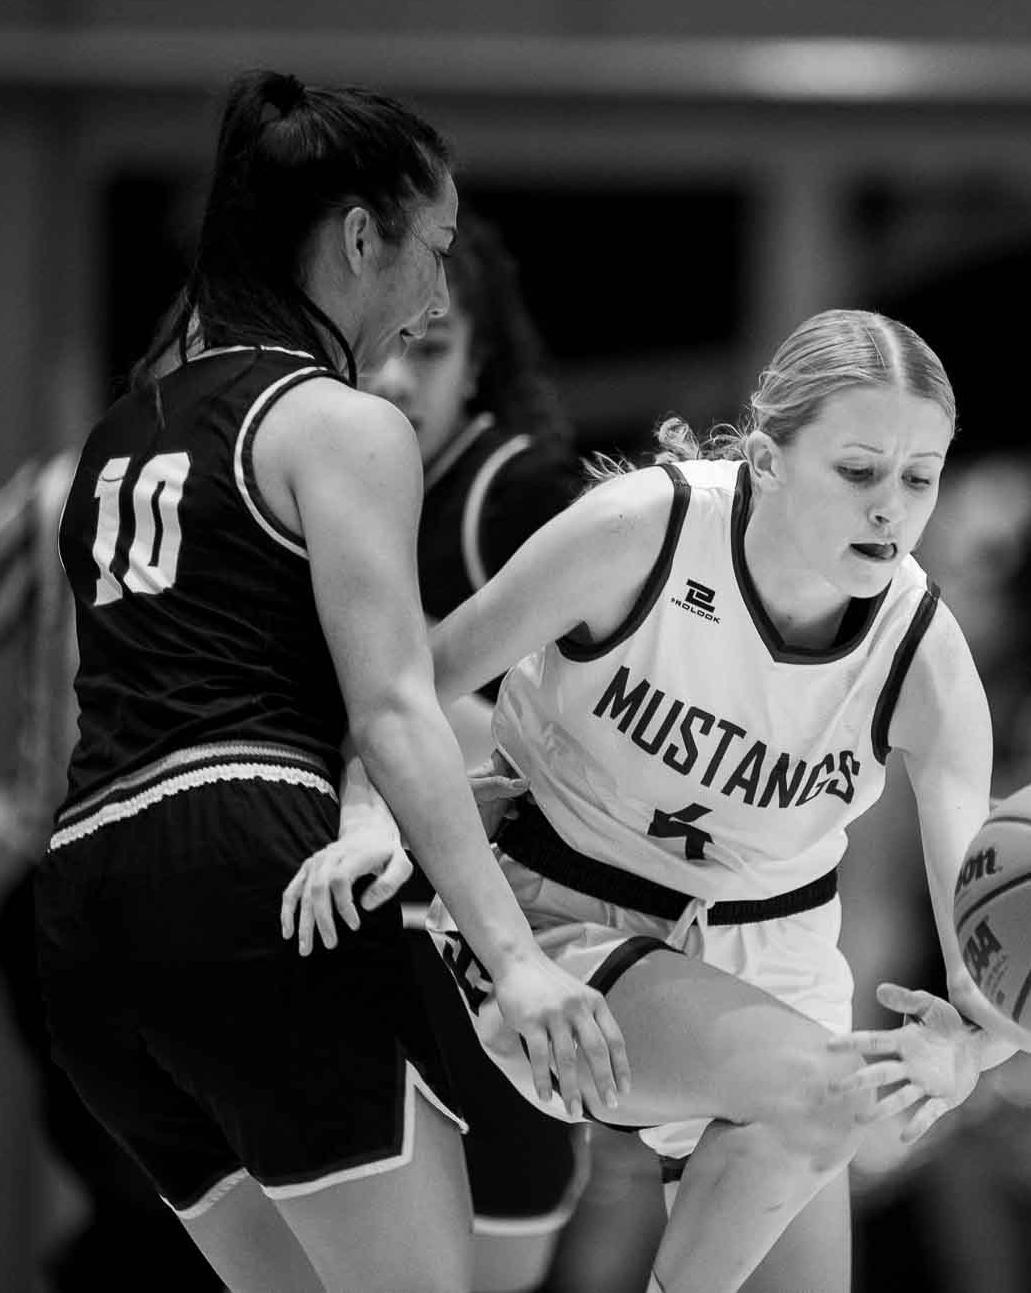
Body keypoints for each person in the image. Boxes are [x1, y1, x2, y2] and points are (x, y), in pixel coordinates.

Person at [286, 307, 1031, 1292]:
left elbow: (977, 952)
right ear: (771, 455)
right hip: (560, 915)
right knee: (827, 1092)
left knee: (829, 1100)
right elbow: (405, 685)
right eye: (859, 470)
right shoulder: (639, 533)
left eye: (919, 479)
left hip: (778, 965)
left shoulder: (926, 656)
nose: (891, 509)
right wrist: (364, 815)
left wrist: (984, 1042)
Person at [33, 68, 625, 1293]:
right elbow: (395, 709)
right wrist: (514, 955)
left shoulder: (120, 430)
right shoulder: (339, 423)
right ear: (361, 237)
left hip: (84, 911)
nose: (435, 298)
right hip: (251, 866)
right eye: (435, 249)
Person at [0, 450, 218, 1290]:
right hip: (67, 885)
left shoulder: (286, 465)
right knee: (136, 1183)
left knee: (198, 1192)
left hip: (220, 892)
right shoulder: (58, 493)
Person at [362, 205, 591, 1291]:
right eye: (391, 344)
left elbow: (573, 743)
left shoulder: (523, 495)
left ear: (481, 360)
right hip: (365, 936)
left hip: (491, 941)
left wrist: (387, 731)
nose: (403, 379)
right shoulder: (342, 484)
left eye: (436, 348)